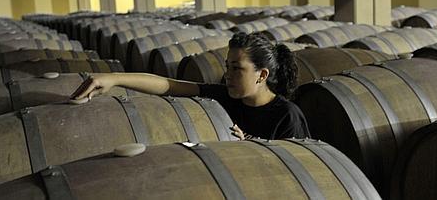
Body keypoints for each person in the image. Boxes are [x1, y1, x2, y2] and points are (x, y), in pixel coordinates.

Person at [70, 32, 310, 140]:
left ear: (262, 74)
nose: (227, 75)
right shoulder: (224, 97)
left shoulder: (287, 116)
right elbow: (168, 85)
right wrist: (114, 79)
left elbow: (296, 173)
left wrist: (250, 146)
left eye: (237, 68)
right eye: (227, 66)